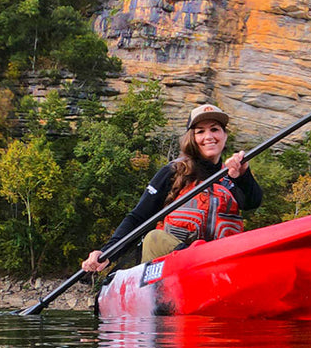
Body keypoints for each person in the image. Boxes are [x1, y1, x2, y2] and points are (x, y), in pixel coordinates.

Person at [81, 103, 262, 272]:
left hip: (219, 266)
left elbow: (253, 202)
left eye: (215, 129)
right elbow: (138, 217)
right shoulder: (174, 172)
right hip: (174, 268)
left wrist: (243, 175)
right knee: (153, 238)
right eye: (200, 132)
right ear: (192, 138)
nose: (208, 137)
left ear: (225, 135)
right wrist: (107, 252)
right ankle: (197, 265)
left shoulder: (232, 176)